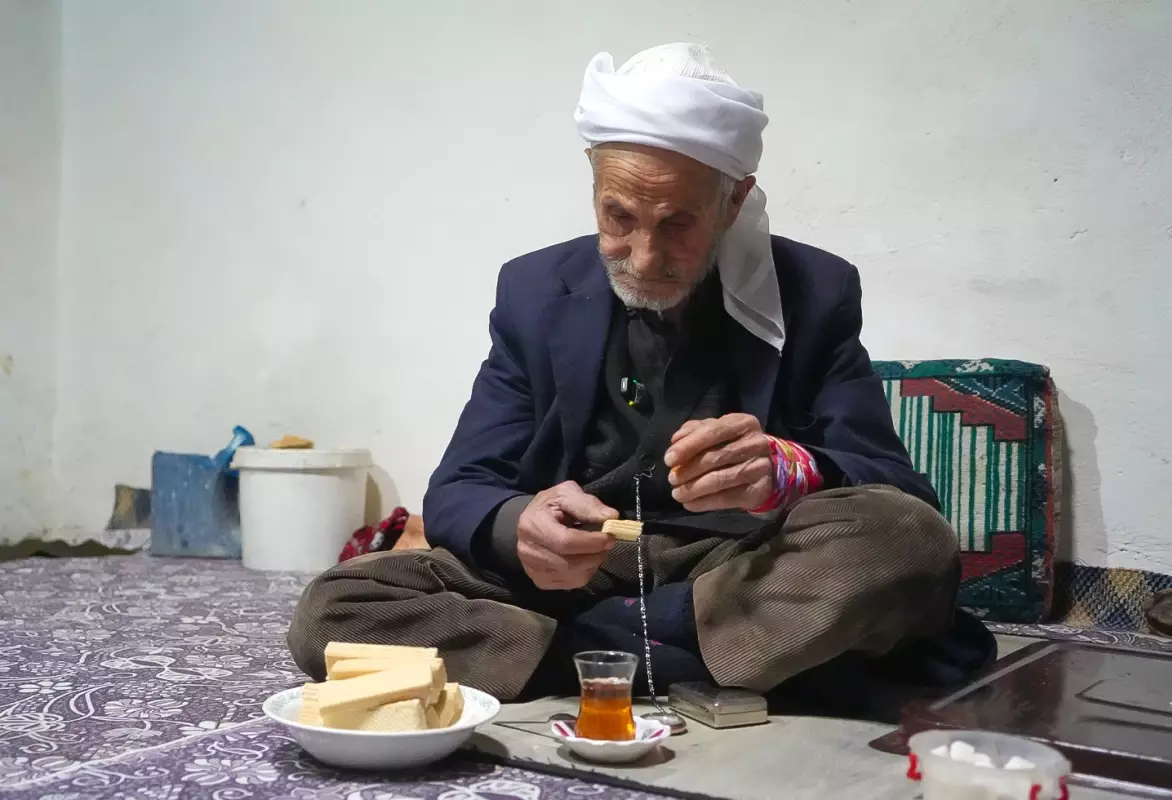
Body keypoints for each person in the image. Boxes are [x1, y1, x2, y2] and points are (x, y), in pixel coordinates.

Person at [288, 43, 994, 704]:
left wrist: (786, 470)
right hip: (572, 575)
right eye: (618, 216)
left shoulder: (816, 290)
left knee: (908, 542)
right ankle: (712, 660)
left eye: (678, 224)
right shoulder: (534, 292)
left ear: (734, 200)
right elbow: (459, 488)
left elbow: (899, 493)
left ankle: (578, 657)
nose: (645, 257)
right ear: (593, 180)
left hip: (737, 568)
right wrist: (518, 527)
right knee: (334, 610)